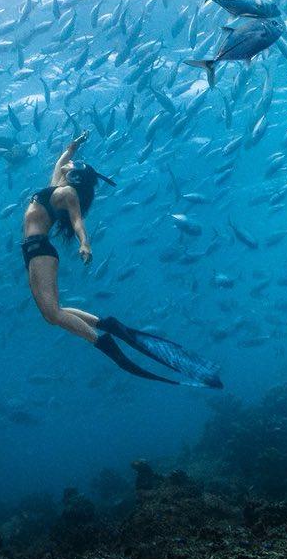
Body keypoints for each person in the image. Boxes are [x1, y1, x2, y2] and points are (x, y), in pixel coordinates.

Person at [21, 132, 224, 388]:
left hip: (40, 249)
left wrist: (85, 243)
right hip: (33, 249)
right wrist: (75, 144)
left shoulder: (69, 193)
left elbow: (77, 221)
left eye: (75, 167)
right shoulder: (58, 186)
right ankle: (106, 325)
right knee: (53, 311)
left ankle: (106, 345)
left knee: (52, 314)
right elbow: (62, 159)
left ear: (77, 177)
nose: (71, 165)